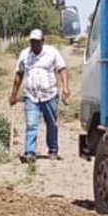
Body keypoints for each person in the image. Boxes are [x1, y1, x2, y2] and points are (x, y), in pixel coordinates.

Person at [9, 28, 69, 163]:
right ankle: (30, 153)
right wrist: (13, 94)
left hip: (49, 95)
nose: (34, 45)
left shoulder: (52, 53)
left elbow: (62, 69)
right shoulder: (24, 54)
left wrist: (65, 87)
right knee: (31, 124)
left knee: (51, 123)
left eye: (37, 42)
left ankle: (53, 149)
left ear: (43, 41)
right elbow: (19, 74)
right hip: (31, 95)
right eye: (32, 42)